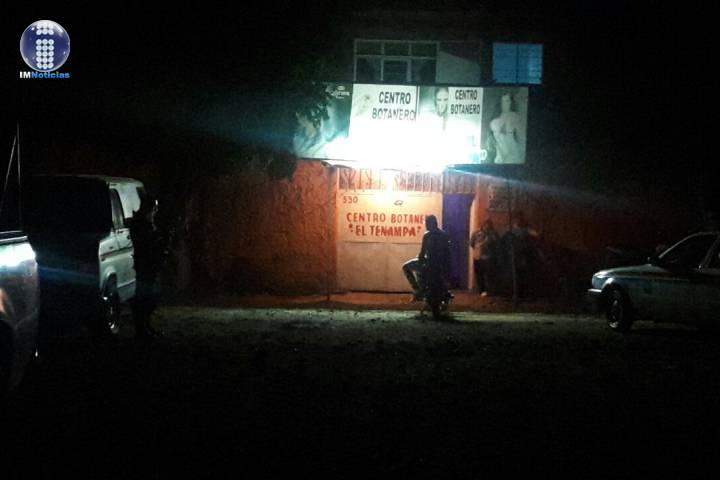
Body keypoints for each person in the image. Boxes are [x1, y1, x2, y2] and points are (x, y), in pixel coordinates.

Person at [129, 195, 166, 338]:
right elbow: (143, 244)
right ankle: (141, 329)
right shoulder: (140, 224)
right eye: (154, 207)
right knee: (143, 298)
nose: (156, 210)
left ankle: (146, 325)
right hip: (143, 265)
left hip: (150, 265)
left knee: (151, 298)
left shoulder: (148, 223)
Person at [402, 214, 451, 302]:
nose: (426, 225)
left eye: (427, 223)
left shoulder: (427, 235)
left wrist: (420, 257)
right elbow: (448, 252)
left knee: (405, 267)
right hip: (441, 264)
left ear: (430, 224)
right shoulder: (444, 235)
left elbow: (422, 253)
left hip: (429, 263)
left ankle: (417, 289)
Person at [489, 90, 525, 164]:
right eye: (502, 101)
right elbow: (494, 142)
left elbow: (521, 139)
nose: (504, 104)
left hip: (513, 157)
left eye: (507, 101)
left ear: (511, 102)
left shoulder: (515, 117)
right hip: (500, 158)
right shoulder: (494, 121)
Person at [469, 219, 499, 297]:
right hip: (478, 257)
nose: (487, 227)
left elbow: (497, 244)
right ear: (483, 225)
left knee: (488, 275)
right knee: (479, 275)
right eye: (485, 225)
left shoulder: (493, 234)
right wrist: (478, 249)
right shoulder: (476, 233)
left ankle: (489, 291)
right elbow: (472, 243)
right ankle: (481, 290)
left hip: (488, 257)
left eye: (489, 226)